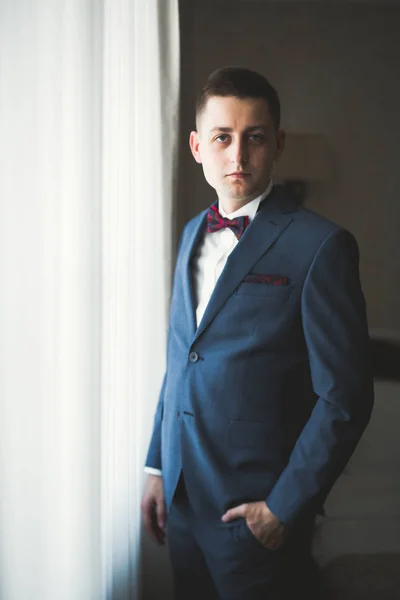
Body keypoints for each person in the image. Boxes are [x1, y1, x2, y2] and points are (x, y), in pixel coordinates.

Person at [141, 66, 374, 600]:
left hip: (257, 518)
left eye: (255, 137)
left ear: (279, 143)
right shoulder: (189, 236)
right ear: (198, 146)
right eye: (223, 138)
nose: (238, 156)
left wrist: (283, 509)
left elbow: (346, 397)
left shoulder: (321, 246)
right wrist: (157, 465)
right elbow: (182, 359)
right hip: (183, 503)